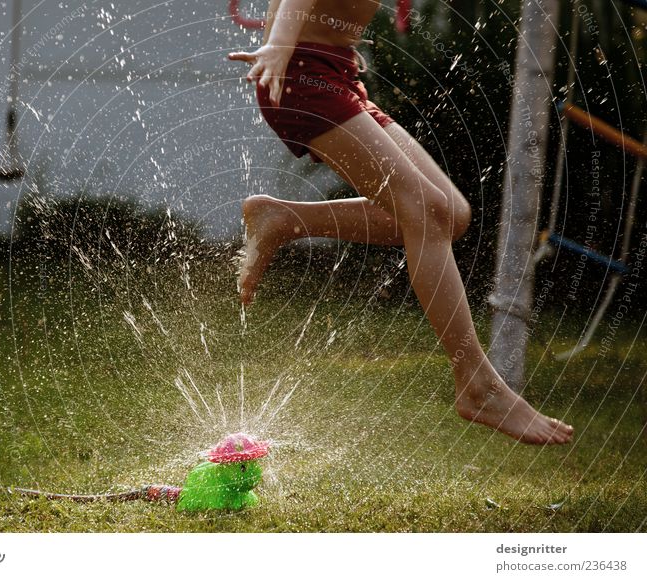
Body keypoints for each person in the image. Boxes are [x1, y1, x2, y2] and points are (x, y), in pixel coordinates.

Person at [228, 0, 573, 445]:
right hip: (300, 74)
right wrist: (277, 44)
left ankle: (286, 218)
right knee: (426, 212)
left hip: (336, 76)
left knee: (449, 213)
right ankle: (478, 383)